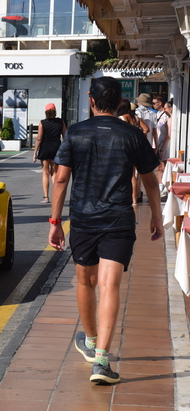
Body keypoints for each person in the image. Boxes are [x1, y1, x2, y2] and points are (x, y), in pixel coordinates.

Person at [49, 76, 163, 384]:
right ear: (118, 102)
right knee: (110, 285)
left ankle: (90, 339)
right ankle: (101, 360)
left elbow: (60, 180)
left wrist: (55, 222)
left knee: (85, 283)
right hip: (118, 220)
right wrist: (156, 215)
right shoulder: (132, 134)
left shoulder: (75, 133)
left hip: (84, 220)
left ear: (91, 100)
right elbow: (150, 180)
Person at [116, 100, 150, 205]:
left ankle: (128, 197)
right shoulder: (135, 118)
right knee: (134, 174)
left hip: (125, 148)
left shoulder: (120, 118)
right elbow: (146, 129)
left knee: (125, 174)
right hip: (136, 148)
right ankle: (134, 198)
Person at [33, 103, 66, 204]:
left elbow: (39, 138)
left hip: (45, 148)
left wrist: (35, 152)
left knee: (45, 173)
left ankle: (46, 197)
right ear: (55, 111)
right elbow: (65, 136)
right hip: (56, 148)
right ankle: (57, 196)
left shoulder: (42, 123)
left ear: (46, 112)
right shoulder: (60, 122)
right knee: (55, 173)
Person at [153, 95, 170, 186]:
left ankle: (162, 185)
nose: (153, 105)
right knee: (159, 166)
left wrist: (163, 148)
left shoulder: (166, 116)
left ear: (160, 103)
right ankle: (160, 185)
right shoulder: (157, 114)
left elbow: (168, 133)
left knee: (162, 166)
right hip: (158, 143)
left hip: (164, 144)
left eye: (154, 103)